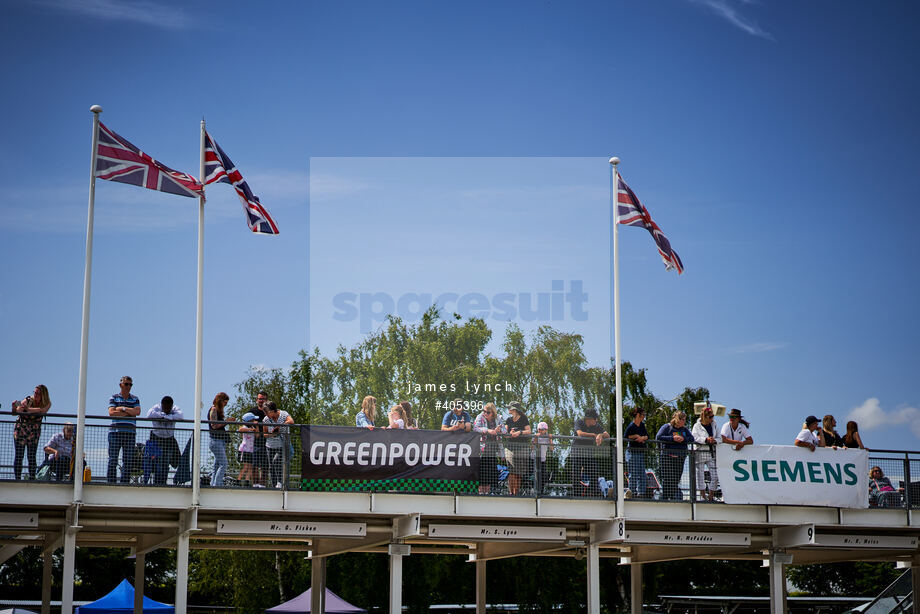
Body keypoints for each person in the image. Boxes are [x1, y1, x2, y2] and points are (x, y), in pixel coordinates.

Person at [12, 384, 51, 480]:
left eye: (38, 393)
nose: (36, 395)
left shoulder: (47, 402)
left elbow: (42, 411)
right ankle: (17, 478)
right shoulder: (29, 400)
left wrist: (27, 409)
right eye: (35, 392)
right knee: (19, 455)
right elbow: (17, 411)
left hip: (34, 432)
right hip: (21, 429)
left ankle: (32, 478)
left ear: (43, 395)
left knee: (31, 455)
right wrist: (15, 407)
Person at [108, 376, 141, 483]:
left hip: (130, 433)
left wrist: (122, 409)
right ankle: (111, 482)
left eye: (130, 384)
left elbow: (137, 412)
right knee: (113, 459)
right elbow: (112, 413)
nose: (128, 387)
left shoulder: (135, 398)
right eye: (126, 384)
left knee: (128, 460)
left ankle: (124, 482)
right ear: (121, 384)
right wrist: (129, 412)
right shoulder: (114, 397)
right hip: (115, 433)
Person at [572, 408, 610, 497]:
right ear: (588, 419)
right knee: (576, 473)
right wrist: (594, 435)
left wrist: (600, 435)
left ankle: (593, 492)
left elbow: (607, 434)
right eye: (594, 418)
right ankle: (576, 494)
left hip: (588, 453)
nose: (596, 420)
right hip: (577, 452)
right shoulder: (579, 422)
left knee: (594, 470)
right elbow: (580, 433)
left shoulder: (596, 426)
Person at [146, 396, 183, 485]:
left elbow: (181, 416)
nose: (167, 409)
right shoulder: (156, 407)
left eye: (168, 408)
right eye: (165, 408)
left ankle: (163, 482)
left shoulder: (175, 409)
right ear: (162, 405)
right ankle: (157, 482)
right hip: (157, 439)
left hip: (168, 440)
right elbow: (149, 414)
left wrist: (168, 417)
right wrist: (163, 416)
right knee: (157, 462)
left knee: (165, 462)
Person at [656, 411, 692, 501]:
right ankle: (665, 497)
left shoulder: (685, 429)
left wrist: (683, 439)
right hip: (667, 457)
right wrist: (672, 438)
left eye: (685, 420)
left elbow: (691, 438)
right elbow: (659, 436)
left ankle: (672, 496)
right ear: (677, 419)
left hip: (680, 458)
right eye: (683, 419)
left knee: (676, 478)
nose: (684, 421)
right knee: (668, 478)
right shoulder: (667, 427)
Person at [473, 402, 505, 494]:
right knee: (481, 474)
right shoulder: (480, 417)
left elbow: (504, 430)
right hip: (482, 450)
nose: (485, 413)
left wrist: (499, 431)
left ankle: (487, 494)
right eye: (484, 411)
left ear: (493, 413)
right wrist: (488, 431)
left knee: (489, 474)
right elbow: (476, 428)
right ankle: (480, 493)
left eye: (487, 412)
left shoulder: (498, 418)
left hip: (493, 451)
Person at [691, 403, 719, 501]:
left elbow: (719, 437)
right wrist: (706, 440)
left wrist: (715, 440)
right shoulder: (697, 426)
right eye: (710, 417)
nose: (712, 418)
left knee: (715, 474)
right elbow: (694, 437)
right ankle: (703, 496)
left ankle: (711, 496)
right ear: (705, 416)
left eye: (713, 416)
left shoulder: (714, 424)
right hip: (701, 452)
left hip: (712, 453)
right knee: (700, 475)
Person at [263, 401, 294, 488]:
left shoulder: (283, 414)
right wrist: (272, 434)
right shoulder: (265, 419)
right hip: (270, 446)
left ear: (273, 411)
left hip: (282, 445)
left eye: (267, 412)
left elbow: (291, 421)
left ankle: (281, 482)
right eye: (264, 412)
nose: (266, 414)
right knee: (271, 467)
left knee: (276, 461)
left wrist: (280, 426)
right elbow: (264, 434)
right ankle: (274, 486)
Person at [504, 401, 531, 495]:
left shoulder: (524, 418)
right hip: (510, 448)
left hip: (522, 448)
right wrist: (510, 433)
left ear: (514, 409)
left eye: (509, 408)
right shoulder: (508, 420)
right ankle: (511, 493)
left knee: (519, 472)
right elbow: (505, 433)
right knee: (511, 471)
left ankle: (516, 493)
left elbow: (528, 431)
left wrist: (519, 432)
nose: (508, 409)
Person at [624, 408, 649, 499]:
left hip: (640, 452)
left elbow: (647, 436)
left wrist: (642, 438)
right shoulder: (631, 426)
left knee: (642, 473)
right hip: (632, 452)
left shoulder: (642, 425)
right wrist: (635, 436)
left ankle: (641, 492)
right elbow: (626, 436)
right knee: (633, 473)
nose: (644, 416)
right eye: (642, 414)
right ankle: (632, 492)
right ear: (638, 415)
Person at [208, 392, 231, 487]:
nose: (225, 405)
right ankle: (218, 484)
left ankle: (213, 483)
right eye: (225, 402)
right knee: (224, 464)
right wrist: (227, 422)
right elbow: (214, 425)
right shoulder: (213, 409)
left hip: (220, 441)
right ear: (220, 401)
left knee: (217, 465)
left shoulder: (218, 410)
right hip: (215, 441)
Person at [250, 391, 270, 486]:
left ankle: (262, 484)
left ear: (266, 400)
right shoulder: (252, 411)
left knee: (265, 466)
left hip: (268, 442)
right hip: (255, 443)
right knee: (254, 465)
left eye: (263, 399)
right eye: (260, 399)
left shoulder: (269, 411)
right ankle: (255, 484)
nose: (261, 401)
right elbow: (244, 424)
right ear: (256, 400)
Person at [237, 412, 258, 487]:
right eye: (253, 420)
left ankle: (247, 481)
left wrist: (256, 428)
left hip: (251, 450)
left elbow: (257, 435)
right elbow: (240, 430)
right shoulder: (244, 427)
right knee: (245, 466)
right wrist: (250, 429)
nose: (254, 421)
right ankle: (238, 480)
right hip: (244, 449)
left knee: (250, 467)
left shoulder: (253, 427)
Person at [534, 421, 554, 495]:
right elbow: (532, 447)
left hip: (542, 459)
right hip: (535, 459)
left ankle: (541, 492)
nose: (540, 431)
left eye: (542, 429)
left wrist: (550, 439)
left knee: (543, 476)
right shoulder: (536, 435)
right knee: (536, 476)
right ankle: (534, 490)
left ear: (546, 430)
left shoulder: (547, 437)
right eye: (539, 429)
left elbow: (552, 448)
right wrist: (536, 438)